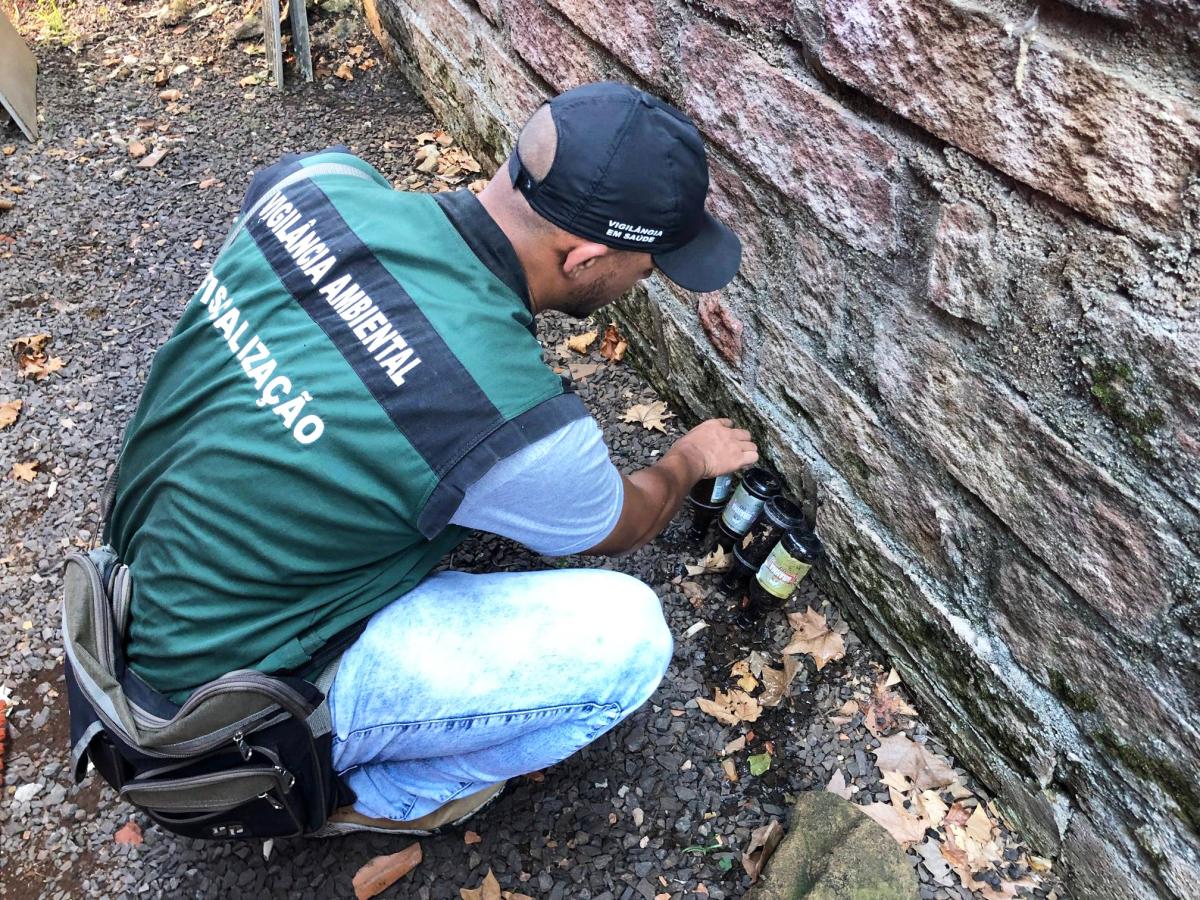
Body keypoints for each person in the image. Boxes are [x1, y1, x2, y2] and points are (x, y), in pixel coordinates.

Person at [106, 81, 757, 836]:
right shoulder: (512, 420)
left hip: (130, 589)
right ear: (585, 256)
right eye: (651, 264)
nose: (649, 281)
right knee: (630, 637)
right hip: (206, 727)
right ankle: (367, 798)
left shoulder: (315, 183)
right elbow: (625, 519)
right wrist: (687, 457)